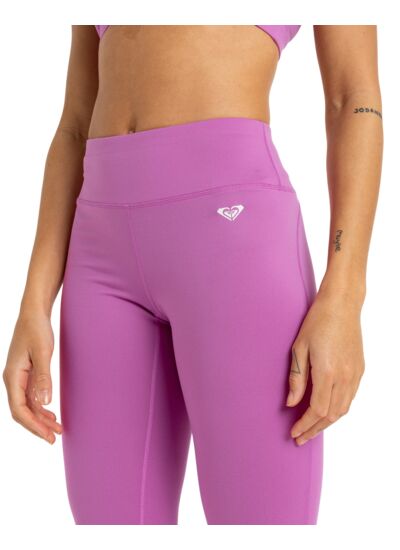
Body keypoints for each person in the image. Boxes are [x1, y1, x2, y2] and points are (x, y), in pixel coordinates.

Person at [2, 25, 383, 525]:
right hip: (99, 260)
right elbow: (75, 125)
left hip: (233, 245)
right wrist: (33, 305)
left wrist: (345, 296)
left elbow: (353, 99)